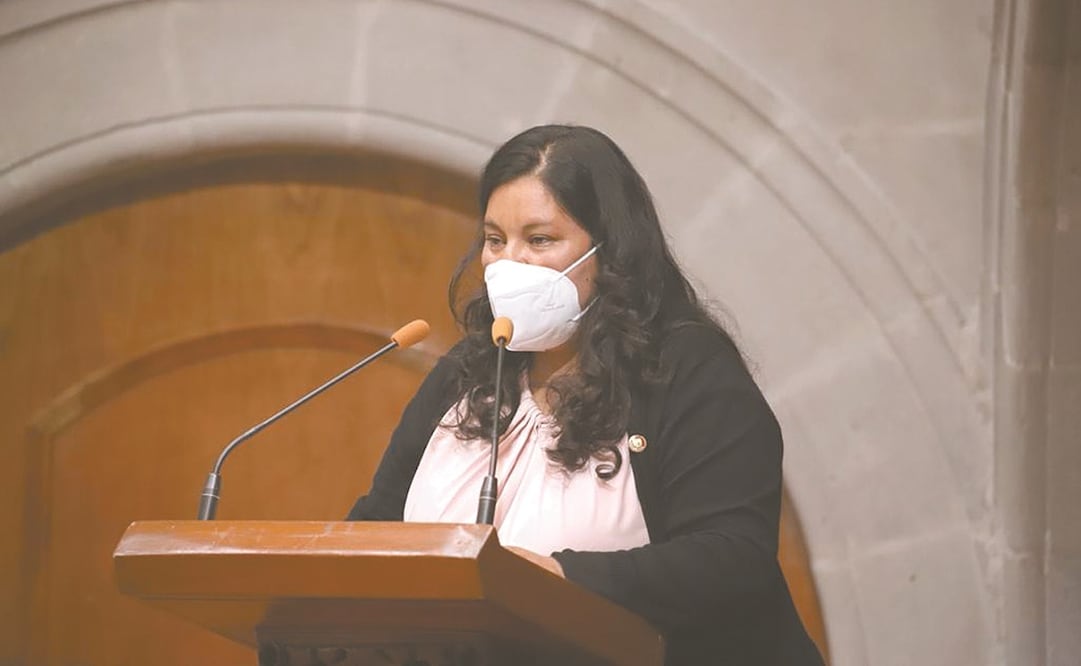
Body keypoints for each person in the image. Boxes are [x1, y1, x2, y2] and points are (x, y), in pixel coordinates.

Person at [347, 124, 824, 665]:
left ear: (610, 252)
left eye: (540, 240)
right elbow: (375, 527)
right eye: (495, 240)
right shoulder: (467, 372)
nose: (509, 264)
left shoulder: (685, 368)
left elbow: (731, 558)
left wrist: (554, 577)